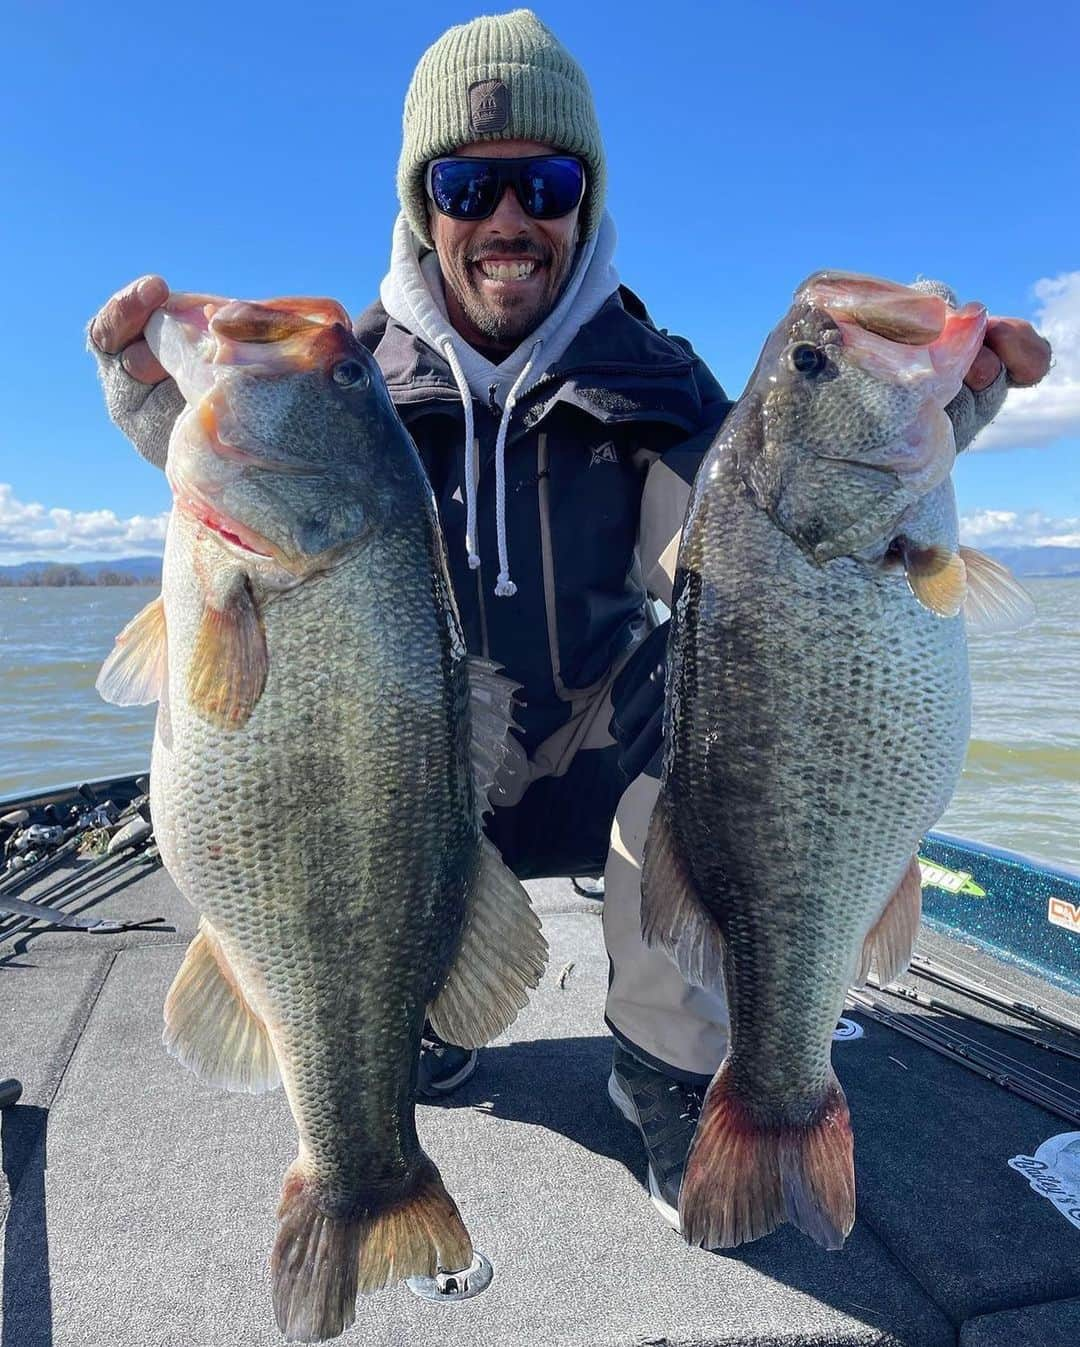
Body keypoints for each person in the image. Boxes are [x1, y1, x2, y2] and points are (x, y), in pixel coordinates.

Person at [88, 10, 1052, 1233]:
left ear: (583, 201)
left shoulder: (656, 380)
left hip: (606, 759)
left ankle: (666, 1068)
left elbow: (749, 551)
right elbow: (249, 547)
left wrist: (919, 445)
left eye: (546, 183)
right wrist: (158, 425)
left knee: (707, 763)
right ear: (422, 203)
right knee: (353, 833)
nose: (508, 218)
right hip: (424, 780)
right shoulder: (356, 392)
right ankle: (404, 1032)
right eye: (468, 183)